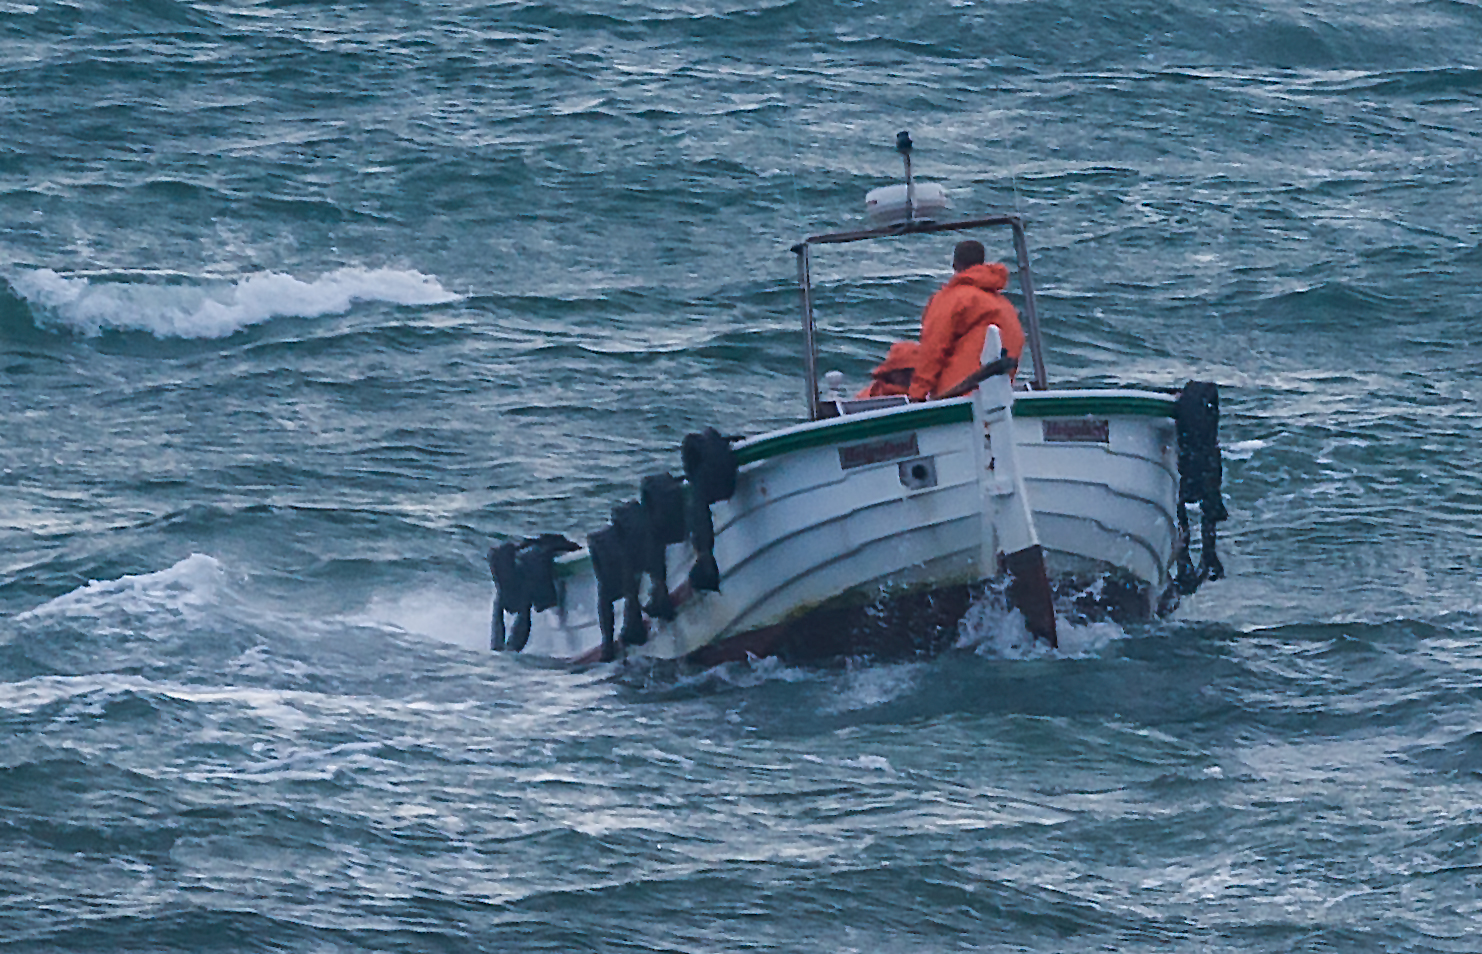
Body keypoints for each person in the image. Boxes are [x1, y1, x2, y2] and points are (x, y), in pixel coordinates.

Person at [907, 239, 1025, 402]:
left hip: (959, 398)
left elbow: (933, 347)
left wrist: (917, 395)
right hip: (998, 396)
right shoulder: (1004, 306)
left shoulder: (952, 298)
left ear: (954, 265)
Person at [855, 340, 920, 398]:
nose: (910, 376)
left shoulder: (925, 392)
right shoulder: (872, 393)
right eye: (906, 371)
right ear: (891, 372)